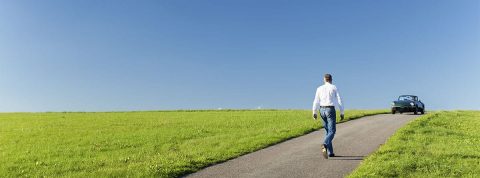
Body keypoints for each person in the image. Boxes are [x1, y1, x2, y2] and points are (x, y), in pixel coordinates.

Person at [312, 74, 344, 159]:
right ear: (331, 79)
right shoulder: (334, 87)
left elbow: (316, 100)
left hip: (322, 110)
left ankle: (331, 153)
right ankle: (325, 144)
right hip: (330, 109)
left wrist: (314, 112)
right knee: (332, 131)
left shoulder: (319, 88)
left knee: (327, 132)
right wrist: (342, 112)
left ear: (324, 79)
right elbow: (339, 100)